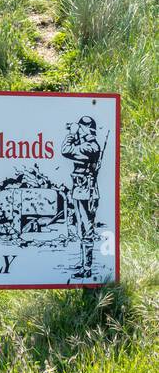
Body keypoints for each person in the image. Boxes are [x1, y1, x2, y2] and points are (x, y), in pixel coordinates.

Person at [62, 116, 103, 277]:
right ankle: (84, 265)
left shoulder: (90, 147)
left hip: (87, 192)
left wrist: (72, 134)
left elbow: (66, 150)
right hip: (80, 190)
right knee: (82, 229)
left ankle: (87, 268)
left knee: (86, 230)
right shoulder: (87, 145)